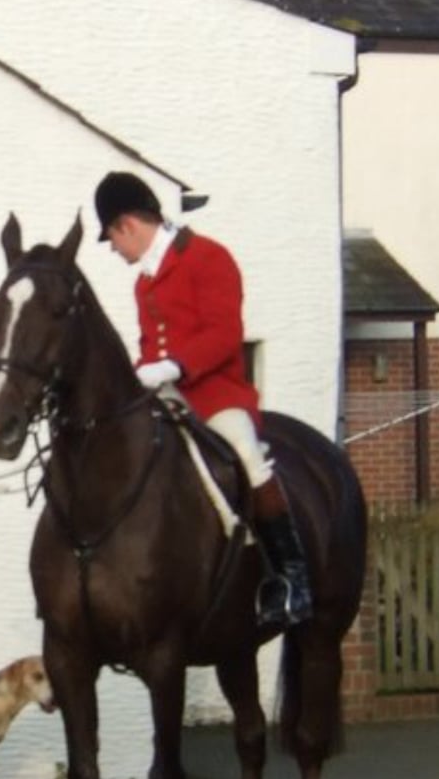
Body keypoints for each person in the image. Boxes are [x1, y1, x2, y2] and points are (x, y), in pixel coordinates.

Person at [93, 170, 312, 628]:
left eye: (113, 240)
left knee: (247, 456)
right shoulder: (143, 283)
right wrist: (143, 376)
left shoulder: (210, 258)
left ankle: (290, 577)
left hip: (216, 392)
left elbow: (225, 334)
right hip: (169, 395)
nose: (115, 251)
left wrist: (174, 367)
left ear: (127, 225)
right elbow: (150, 348)